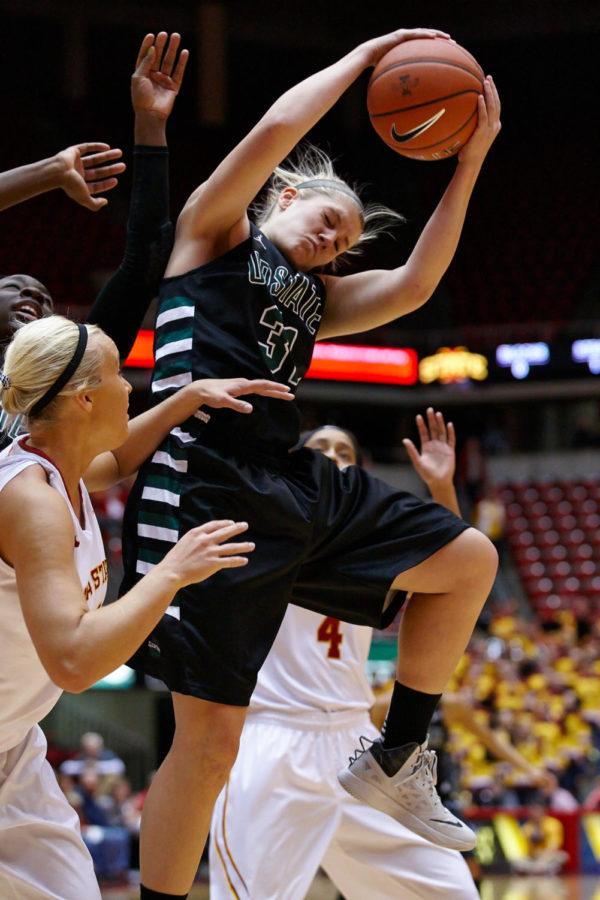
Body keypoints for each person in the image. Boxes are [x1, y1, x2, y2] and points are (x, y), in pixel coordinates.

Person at [120, 27, 501, 898]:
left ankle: (399, 752)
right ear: (283, 195)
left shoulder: (317, 301)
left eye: (344, 243)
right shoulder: (211, 236)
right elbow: (274, 129)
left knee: (468, 558)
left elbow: (412, 286)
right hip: (201, 474)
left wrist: (469, 160)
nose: (334, 241)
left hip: (288, 476)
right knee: (210, 742)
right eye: (328, 220)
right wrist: (366, 59)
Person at [0, 315, 291, 899]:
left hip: (12, 745)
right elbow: (74, 662)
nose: (129, 387)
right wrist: (172, 573)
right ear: (84, 399)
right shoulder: (31, 500)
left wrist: (187, 397)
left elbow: (119, 459)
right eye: (117, 374)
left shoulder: (63, 470)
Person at [210, 413, 480, 899]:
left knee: (450, 892)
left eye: (345, 452)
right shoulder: (267, 530)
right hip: (275, 739)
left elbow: (449, 577)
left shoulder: (374, 553)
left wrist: (441, 488)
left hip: (357, 747)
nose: (333, 457)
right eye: (321, 449)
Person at [0, 32, 188, 447]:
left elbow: (146, 260)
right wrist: (49, 171)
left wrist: (151, 123)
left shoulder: (72, 366)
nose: (34, 292)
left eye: (46, 302)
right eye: (12, 286)